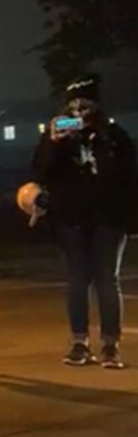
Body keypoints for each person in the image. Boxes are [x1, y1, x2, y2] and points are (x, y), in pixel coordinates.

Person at [32, 75, 135, 370]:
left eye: (85, 105)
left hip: (109, 218)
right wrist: (53, 142)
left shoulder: (115, 136)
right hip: (70, 218)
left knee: (107, 279)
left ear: (97, 105)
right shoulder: (58, 136)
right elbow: (40, 171)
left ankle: (110, 345)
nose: (79, 112)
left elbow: (128, 177)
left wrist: (128, 217)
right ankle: (79, 342)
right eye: (73, 106)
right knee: (78, 279)